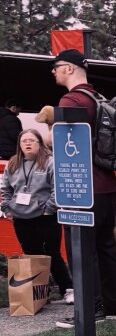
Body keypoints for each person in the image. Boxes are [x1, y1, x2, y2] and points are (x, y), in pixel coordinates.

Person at [48, 48, 116, 324]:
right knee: (105, 247)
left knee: (81, 251)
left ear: (70, 68)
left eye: (56, 66)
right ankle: (115, 307)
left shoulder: (71, 100)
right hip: (107, 185)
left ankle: (91, 310)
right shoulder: (98, 98)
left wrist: (46, 127)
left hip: (82, 189)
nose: (53, 71)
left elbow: (59, 142)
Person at [1, 129, 74, 300]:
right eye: (24, 141)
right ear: (19, 145)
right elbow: (6, 189)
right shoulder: (13, 163)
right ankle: (40, 292)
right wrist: (7, 208)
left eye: (32, 140)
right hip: (20, 217)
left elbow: (57, 187)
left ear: (39, 143)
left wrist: (49, 209)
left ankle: (68, 289)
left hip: (45, 216)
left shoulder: (50, 162)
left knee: (52, 254)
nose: (27, 143)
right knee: (31, 255)